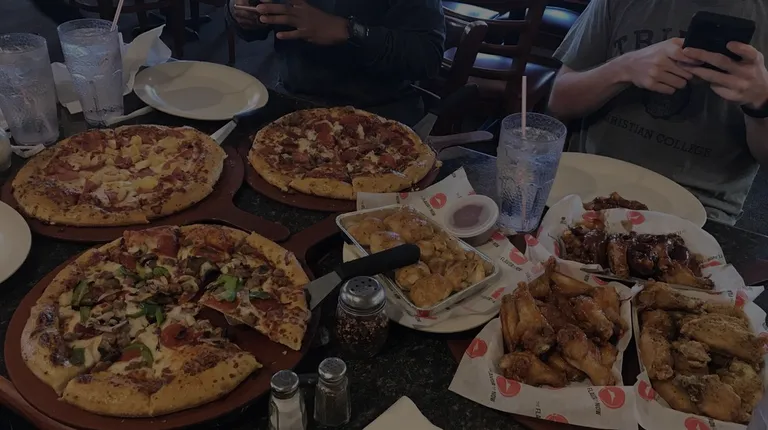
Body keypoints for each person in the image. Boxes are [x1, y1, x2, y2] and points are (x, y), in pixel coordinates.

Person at [547, 0, 768, 225]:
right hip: (589, 185)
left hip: (701, 210)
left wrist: (761, 102)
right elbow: (560, 103)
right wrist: (623, 68)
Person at [227, 0, 445, 125]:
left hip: (377, 114)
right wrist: (241, 12)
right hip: (289, 104)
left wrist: (349, 31)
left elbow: (427, 56)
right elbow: (251, 21)